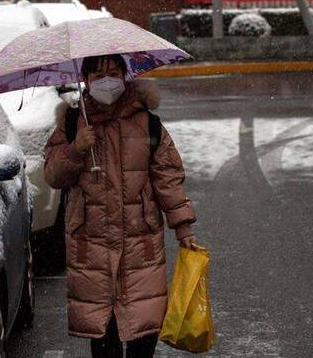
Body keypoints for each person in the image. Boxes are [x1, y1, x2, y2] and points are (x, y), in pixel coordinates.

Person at [43, 54, 198, 358]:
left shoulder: (147, 122)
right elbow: (52, 175)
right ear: (85, 81)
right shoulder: (74, 123)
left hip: (140, 244)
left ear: (126, 76)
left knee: (143, 332)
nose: (107, 82)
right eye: (98, 76)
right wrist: (75, 149)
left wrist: (184, 228)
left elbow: (168, 177)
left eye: (113, 73)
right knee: (104, 338)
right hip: (92, 247)